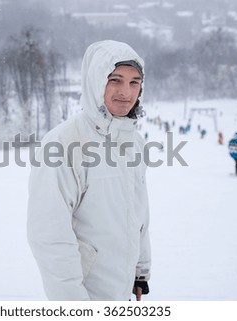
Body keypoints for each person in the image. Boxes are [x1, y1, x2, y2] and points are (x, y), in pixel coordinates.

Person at [27, 40, 151, 301]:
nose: (125, 92)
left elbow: (138, 212)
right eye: (114, 80)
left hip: (121, 290)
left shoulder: (135, 143)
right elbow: (50, 237)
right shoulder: (64, 143)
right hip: (86, 295)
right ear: (96, 81)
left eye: (134, 82)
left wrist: (140, 270)